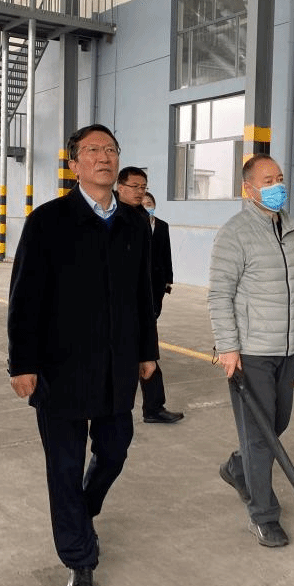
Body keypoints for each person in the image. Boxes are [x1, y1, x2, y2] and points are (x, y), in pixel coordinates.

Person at [7, 124, 159, 586]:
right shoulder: (48, 222)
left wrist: (147, 351)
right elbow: (25, 297)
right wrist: (22, 363)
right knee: (64, 467)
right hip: (61, 368)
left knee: (114, 449)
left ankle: (82, 510)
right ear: (74, 164)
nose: (104, 157)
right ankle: (79, 559)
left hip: (117, 365)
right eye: (93, 150)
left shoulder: (134, 223)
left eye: (111, 149)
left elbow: (143, 295)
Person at [208, 154, 294, 548]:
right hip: (252, 350)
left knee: (277, 423)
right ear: (249, 189)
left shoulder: (291, 229)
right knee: (260, 436)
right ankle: (263, 515)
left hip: (288, 346)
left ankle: (237, 467)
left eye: (279, 178)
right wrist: (228, 347)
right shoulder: (234, 233)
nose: (277, 186)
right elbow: (219, 295)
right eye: (267, 181)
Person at [115, 167, 183, 424]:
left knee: (148, 353)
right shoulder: (110, 217)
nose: (140, 192)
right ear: (120, 187)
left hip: (142, 300)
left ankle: (153, 407)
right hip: (115, 303)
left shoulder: (144, 220)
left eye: (143, 187)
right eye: (135, 187)